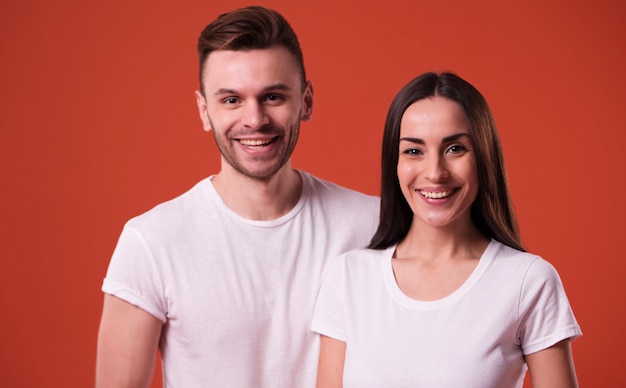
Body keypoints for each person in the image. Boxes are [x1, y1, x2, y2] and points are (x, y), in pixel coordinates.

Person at [95, 6, 379, 387]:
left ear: (306, 101)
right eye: (231, 100)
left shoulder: (373, 226)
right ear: (204, 111)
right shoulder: (152, 242)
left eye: (273, 96)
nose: (254, 119)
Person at [312, 72, 582, 387]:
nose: (435, 172)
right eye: (414, 150)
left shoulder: (528, 281)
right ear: (394, 163)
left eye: (455, 148)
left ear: (483, 157)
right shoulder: (348, 277)